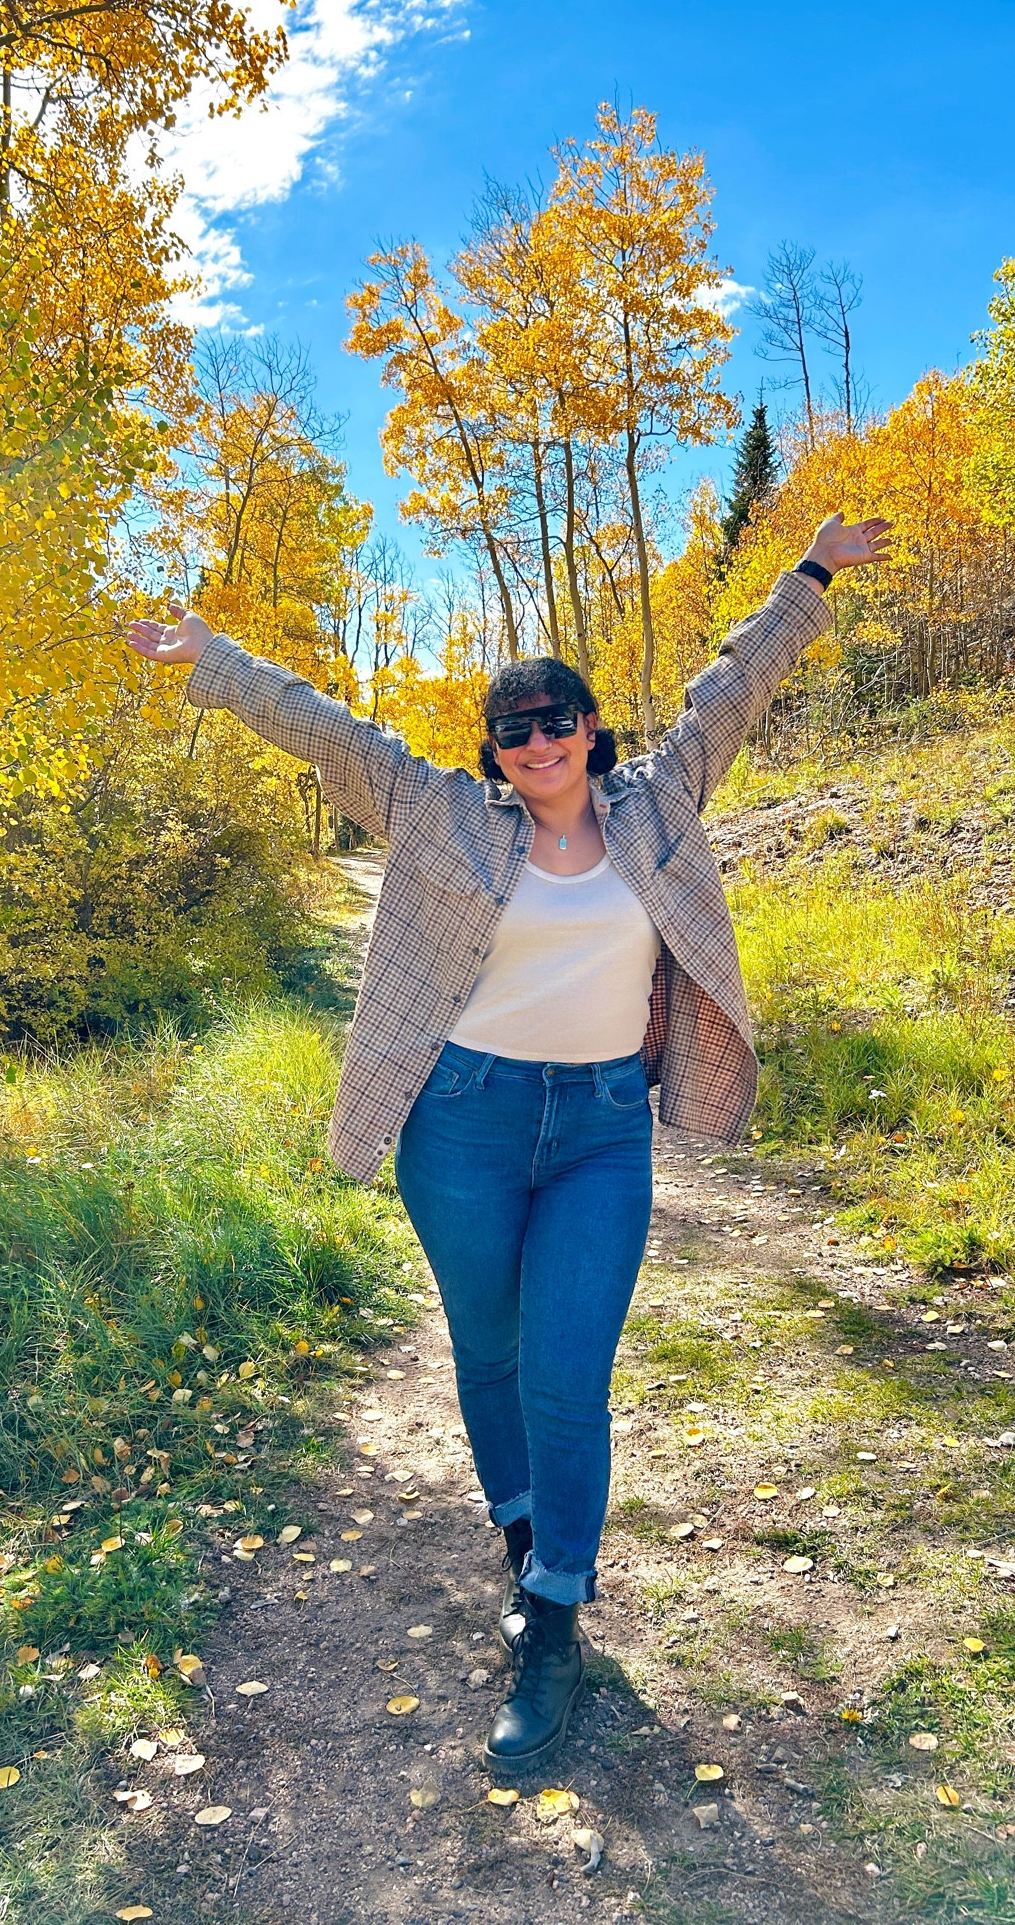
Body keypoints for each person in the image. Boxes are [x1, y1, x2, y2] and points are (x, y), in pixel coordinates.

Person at [126, 510, 891, 1774]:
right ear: (491, 748)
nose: (538, 740)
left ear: (592, 729)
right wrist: (216, 658)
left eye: (558, 719)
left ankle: (555, 1614)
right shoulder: (442, 815)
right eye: (514, 726)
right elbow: (328, 728)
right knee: (487, 1349)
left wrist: (807, 572)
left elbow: (733, 686)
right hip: (462, 1122)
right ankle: (523, 1537)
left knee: (566, 1375)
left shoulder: (658, 803)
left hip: (601, 1130)